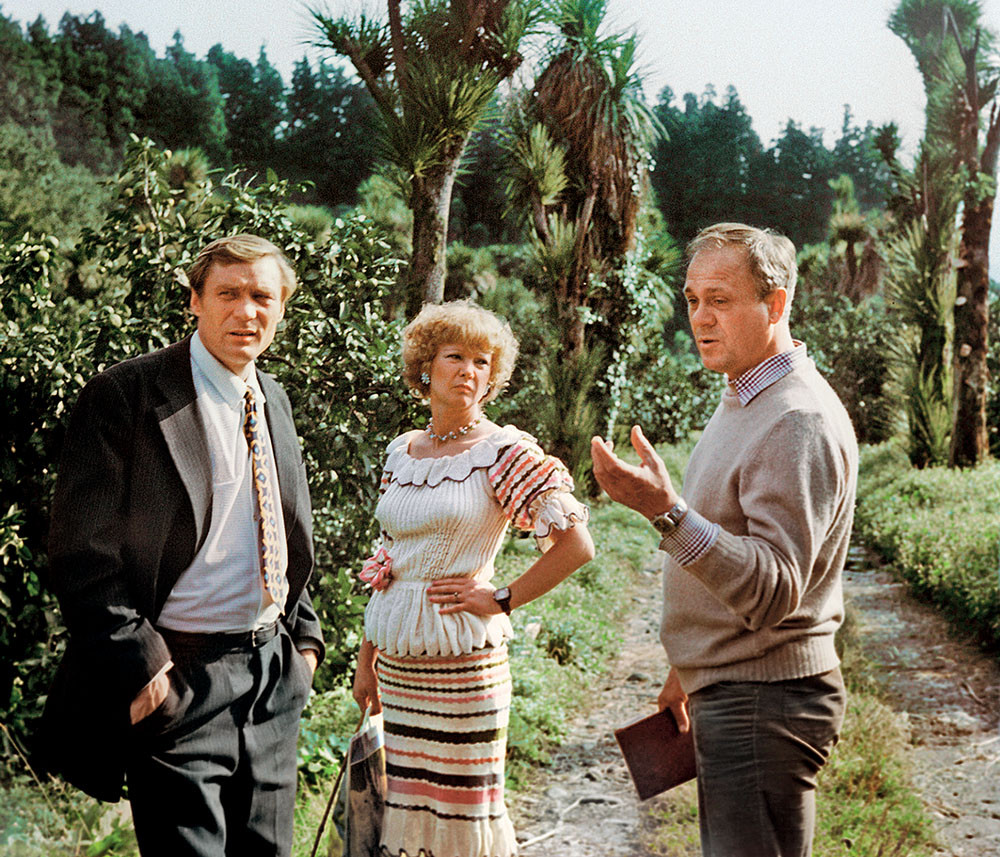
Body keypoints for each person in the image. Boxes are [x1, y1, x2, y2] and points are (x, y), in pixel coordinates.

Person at [41, 234, 324, 857]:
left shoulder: (272, 397)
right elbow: (82, 554)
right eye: (228, 294)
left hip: (272, 679)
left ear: (281, 308)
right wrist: (146, 672)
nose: (246, 311)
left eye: (262, 297)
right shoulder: (127, 394)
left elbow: (283, 529)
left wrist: (303, 643)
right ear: (195, 300)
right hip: (180, 682)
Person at [592, 223, 858, 857]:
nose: (701, 318)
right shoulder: (746, 395)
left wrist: (666, 513)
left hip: (764, 703)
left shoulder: (795, 419)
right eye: (692, 299)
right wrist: (688, 669)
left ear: (776, 304)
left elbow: (773, 590)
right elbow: (733, 538)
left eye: (720, 299)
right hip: (736, 689)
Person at [352, 300, 594, 857]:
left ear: (492, 377)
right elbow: (388, 560)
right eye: (455, 356)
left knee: (464, 816)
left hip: (464, 669)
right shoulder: (401, 452)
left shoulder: (502, 452)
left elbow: (577, 545)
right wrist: (367, 661)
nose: (468, 371)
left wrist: (501, 598)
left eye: (482, 362)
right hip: (397, 669)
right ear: (425, 367)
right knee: (407, 815)